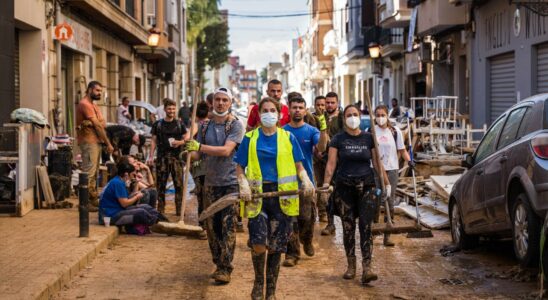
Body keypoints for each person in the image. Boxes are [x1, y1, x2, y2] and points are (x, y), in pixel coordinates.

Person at [234, 97, 314, 300]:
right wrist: (242, 184)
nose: (269, 113)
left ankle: (271, 291)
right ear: (259, 114)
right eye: (265, 110)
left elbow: (299, 166)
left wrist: (305, 180)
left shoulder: (287, 137)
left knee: (277, 247)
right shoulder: (250, 138)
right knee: (259, 242)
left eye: (272, 110)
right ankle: (258, 282)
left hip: (282, 197)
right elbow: (239, 167)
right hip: (257, 196)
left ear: (278, 114)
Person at [323, 104, 389, 285]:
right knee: (348, 227)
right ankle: (351, 265)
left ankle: (367, 267)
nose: (352, 117)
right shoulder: (338, 139)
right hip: (344, 187)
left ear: (359, 116)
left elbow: (377, 163)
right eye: (348, 115)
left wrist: (386, 183)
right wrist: (325, 184)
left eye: (355, 114)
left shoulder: (369, 138)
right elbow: (331, 164)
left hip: (367, 186)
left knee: (366, 227)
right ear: (344, 119)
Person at [185, 87, 245, 284]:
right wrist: (188, 151)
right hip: (210, 184)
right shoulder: (204, 127)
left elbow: (226, 151)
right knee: (212, 228)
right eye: (217, 99)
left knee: (227, 226)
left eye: (224, 100)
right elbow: (197, 155)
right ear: (212, 103)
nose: (220, 103)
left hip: (230, 184)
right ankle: (218, 261)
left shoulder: (235, 125)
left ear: (230, 103)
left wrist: (199, 147)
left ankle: (225, 267)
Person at [282, 96, 328, 267]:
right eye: (294, 107)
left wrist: (323, 128)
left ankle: (307, 240)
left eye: (301, 107)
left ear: (305, 109)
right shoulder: (282, 131)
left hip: (306, 183)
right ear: (289, 108)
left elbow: (322, 148)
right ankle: (292, 254)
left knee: (307, 218)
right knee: (289, 220)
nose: (297, 110)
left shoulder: (311, 131)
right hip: (286, 183)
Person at [373, 105, 413, 246]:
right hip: (376, 171)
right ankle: (373, 231)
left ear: (387, 115)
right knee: (376, 200)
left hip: (392, 170)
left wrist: (410, 161)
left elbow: (402, 150)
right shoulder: (371, 131)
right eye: (377, 115)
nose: (380, 117)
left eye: (383, 114)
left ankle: (387, 235)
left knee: (390, 201)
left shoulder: (395, 131)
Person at [98, 156, 165, 234]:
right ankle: (159, 225)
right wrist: (136, 197)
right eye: (133, 174)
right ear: (126, 174)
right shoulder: (117, 183)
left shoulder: (120, 181)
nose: (134, 176)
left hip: (117, 211)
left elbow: (125, 200)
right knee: (141, 212)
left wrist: (135, 193)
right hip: (110, 217)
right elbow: (124, 204)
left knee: (146, 207)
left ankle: (164, 222)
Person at [147, 98, 189, 215]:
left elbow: (186, 138)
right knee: (161, 186)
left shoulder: (180, 124)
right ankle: (160, 210)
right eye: (169, 108)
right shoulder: (158, 124)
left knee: (179, 185)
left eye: (173, 108)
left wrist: (180, 142)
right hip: (162, 159)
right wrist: (151, 156)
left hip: (177, 159)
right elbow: (154, 141)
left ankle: (180, 210)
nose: (171, 111)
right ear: (165, 109)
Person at [76, 81, 114, 211]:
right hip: (89, 141)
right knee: (89, 173)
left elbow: (102, 123)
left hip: (95, 141)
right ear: (90, 90)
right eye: (97, 91)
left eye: (100, 91)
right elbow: (98, 125)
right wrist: (108, 143)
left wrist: (97, 125)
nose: (99, 93)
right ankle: (84, 204)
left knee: (94, 172)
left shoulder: (94, 106)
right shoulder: (85, 104)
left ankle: (92, 200)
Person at [321, 91, 345, 235]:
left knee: (341, 193)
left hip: (341, 161)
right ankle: (330, 224)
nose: (329, 105)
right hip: (324, 159)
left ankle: (346, 223)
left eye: (332, 102)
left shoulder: (342, 117)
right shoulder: (321, 117)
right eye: (327, 102)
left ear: (337, 103)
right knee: (326, 193)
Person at [312, 95, 329, 222]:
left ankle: (326, 212)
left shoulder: (330, 118)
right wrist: (316, 150)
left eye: (323, 105)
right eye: (318, 105)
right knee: (316, 184)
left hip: (329, 157)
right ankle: (318, 212)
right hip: (314, 157)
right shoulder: (310, 118)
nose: (321, 107)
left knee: (327, 184)